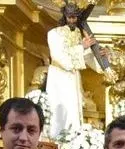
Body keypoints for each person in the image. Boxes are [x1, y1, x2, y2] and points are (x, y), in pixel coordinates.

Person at [46, 3, 106, 140]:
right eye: (70, 17)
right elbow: (59, 57)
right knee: (60, 113)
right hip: (58, 77)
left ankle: (72, 142)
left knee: (74, 114)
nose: (72, 21)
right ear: (65, 16)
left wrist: (101, 58)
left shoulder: (79, 34)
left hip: (73, 77)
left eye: (75, 17)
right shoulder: (54, 34)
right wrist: (82, 47)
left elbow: (88, 58)